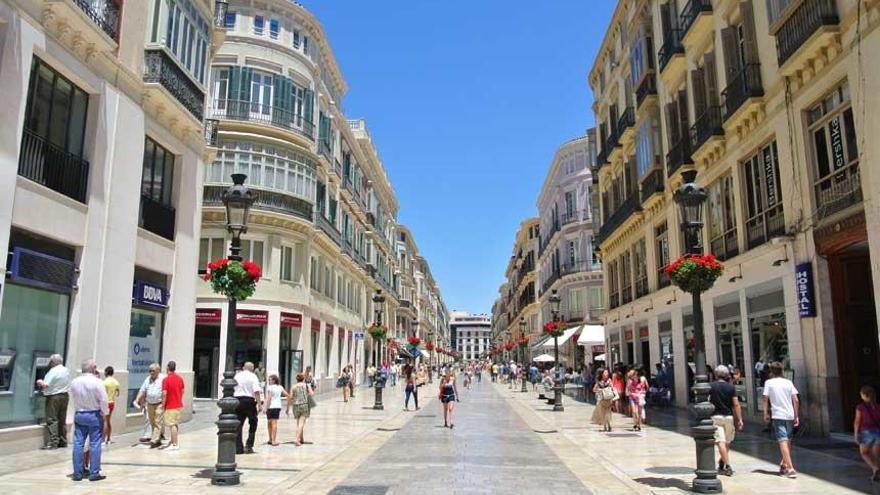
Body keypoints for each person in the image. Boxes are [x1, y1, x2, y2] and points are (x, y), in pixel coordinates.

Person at [70, 359, 109, 482]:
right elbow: (103, 399)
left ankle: (77, 472)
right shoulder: (97, 382)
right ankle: (94, 472)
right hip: (94, 414)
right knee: (95, 443)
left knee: (78, 443)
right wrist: (105, 413)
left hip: (79, 413)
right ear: (93, 369)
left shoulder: (75, 382)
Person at [762, 361, 799, 478]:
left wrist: (765, 413)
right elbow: (796, 399)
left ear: (771, 372)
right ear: (782, 371)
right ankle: (784, 464)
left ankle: (790, 468)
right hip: (789, 414)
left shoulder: (769, 383)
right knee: (787, 440)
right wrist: (796, 415)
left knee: (782, 440)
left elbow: (765, 399)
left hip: (778, 414)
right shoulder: (788, 382)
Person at [709, 365, 743, 476]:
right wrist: (740, 419)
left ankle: (727, 465)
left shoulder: (711, 386)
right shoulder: (731, 387)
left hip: (716, 416)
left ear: (716, 374)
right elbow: (736, 404)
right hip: (728, 417)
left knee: (721, 442)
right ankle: (723, 461)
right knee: (727, 441)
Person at [37, 354, 71, 450]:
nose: (49, 363)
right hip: (65, 396)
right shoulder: (66, 370)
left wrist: (39, 381)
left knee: (52, 419)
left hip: (54, 396)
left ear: (54, 362)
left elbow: (45, 385)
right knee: (62, 419)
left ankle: (53, 442)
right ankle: (63, 441)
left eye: (50, 361)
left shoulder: (53, 371)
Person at [234, 361, 262, 454]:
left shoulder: (237, 376)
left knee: (238, 424)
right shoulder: (253, 376)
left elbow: (232, 388)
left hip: (237, 400)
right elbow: (256, 391)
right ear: (252, 369)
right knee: (253, 422)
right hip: (249, 401)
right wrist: (259, 404)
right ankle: (249, 445)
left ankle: (238, 447)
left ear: (243, 368)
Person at [854, 385, 880, 482]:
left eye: (861, 394)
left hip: (866, 432)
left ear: (865, 395)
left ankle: (875, 468)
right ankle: (876, 473)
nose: (860, 396)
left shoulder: (860, 407)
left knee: (864, 453)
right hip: (878, 432)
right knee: (876, 455)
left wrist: (856, 434)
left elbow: (857, 421)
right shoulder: (878, 407)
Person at [137, 363, 165, 448]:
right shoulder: (147, 379)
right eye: (150, 371)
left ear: (158, 371)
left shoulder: (163, 379)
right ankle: (158, 438)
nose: (151, 372)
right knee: (152, 422)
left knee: (157, 421)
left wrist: (164, 403)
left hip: (159, 403)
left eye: (153, 371)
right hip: (149, 403)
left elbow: (165, 391)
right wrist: (137, 399)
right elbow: (142, 390)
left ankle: (154, 439)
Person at [161, 361, 185, 451]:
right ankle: (172, 440)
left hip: (170, 405)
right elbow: (182, 390)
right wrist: (179, 398)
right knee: (175, 423)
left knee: (172, 425)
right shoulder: (180, 378)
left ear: (167, 368)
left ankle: (175, 444)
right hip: (178, 404)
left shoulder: (166, 380)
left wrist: (163, 405)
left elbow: (164, 393)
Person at [286, 372, 313, 446]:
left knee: (298, 423)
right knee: (301, 423)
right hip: (304, 405)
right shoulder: (306, 385)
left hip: (295, 406)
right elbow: (311, 393)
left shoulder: (293, 386)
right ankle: (297, 440)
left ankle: (301, 438)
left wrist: (288, 408)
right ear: (303, 378)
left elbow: (290, 397)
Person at [264, 374, 287, 447]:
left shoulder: (270, 387)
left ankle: (271, 439)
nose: (269, 381)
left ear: (274, 380)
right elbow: (287, 394)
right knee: (273, 423)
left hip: (271, 407)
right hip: (277, 407)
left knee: (270, 423)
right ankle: (272, 439)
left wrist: (265, 407)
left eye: (270, 380)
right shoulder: (280, 387)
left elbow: (269, 398)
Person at [102, 366, 119, 445]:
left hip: (106, 402)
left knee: (105, 421)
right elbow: (118, 393)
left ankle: (103, 439)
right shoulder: (116, 382)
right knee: (108, 420)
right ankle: (108, 438)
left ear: (106, 372)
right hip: (112, 402)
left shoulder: (104, 382)